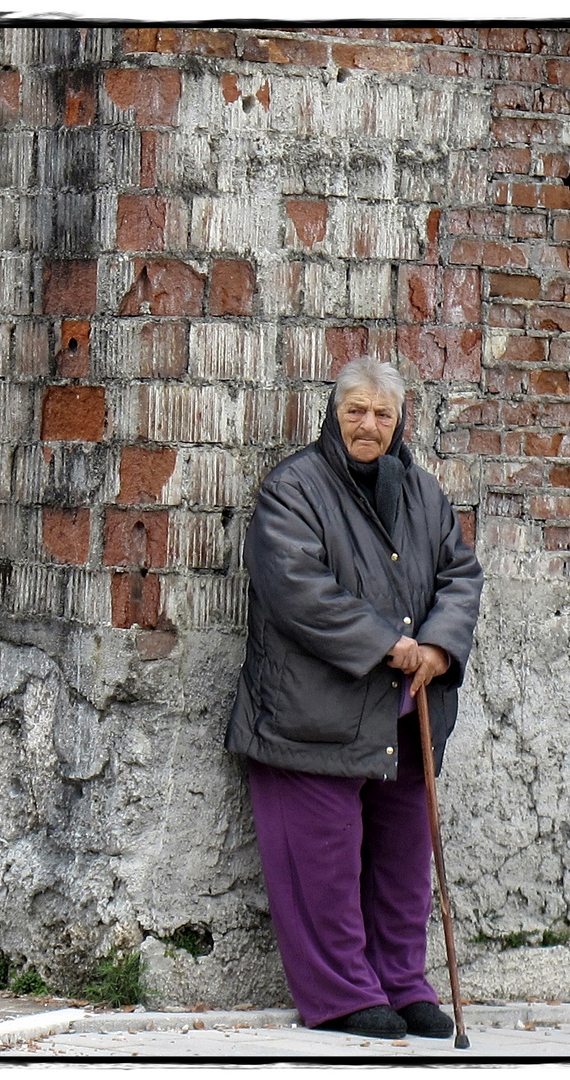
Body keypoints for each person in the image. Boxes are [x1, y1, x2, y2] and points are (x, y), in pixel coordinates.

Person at [226, 357, 483, 1040]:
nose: (368, 425)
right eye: (355, 411)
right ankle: (341, 993)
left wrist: (436, 646)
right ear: (333, 415)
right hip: (310, 713)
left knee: (402, 857)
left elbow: (460, 575)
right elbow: (296, 587)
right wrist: (384, 644)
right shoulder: (294, 488)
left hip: (406, 710)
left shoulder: (424, 494)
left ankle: (401, 981)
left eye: (382, 414)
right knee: (322, 861)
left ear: (400, 423)